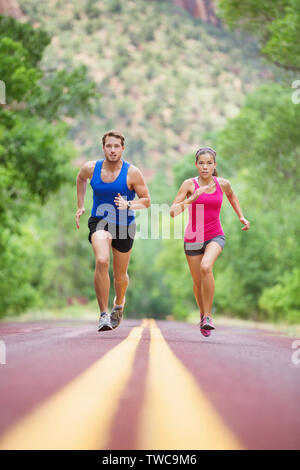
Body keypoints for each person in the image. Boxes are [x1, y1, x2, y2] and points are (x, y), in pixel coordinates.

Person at [170, 147, 250, 337]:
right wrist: (192, 199)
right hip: (193, 237)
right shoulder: (189, 185)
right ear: (196, 165)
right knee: (197, 283)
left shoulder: (223, 184)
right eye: (201, 163)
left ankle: (207, 316)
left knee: (206, 267)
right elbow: (173, 212)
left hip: (215, 235)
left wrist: (241, 216)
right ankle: (202, 313)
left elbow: (232, 195)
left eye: (209, 163)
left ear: (215, 165)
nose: (205, 167)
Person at [76, 130, 151, 332]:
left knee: (120, 276)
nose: (112, 150)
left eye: (116, 146)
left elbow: (146, 201)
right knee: (101, 260)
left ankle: (119, 302)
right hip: (99, 221)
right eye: (108, 146)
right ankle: (103, 314)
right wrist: (80, 205)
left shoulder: (132, 173)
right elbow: (80, 178)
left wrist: (129, 204)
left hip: (125, 225)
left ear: (122, 148)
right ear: (103, 147)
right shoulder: (91, 168)